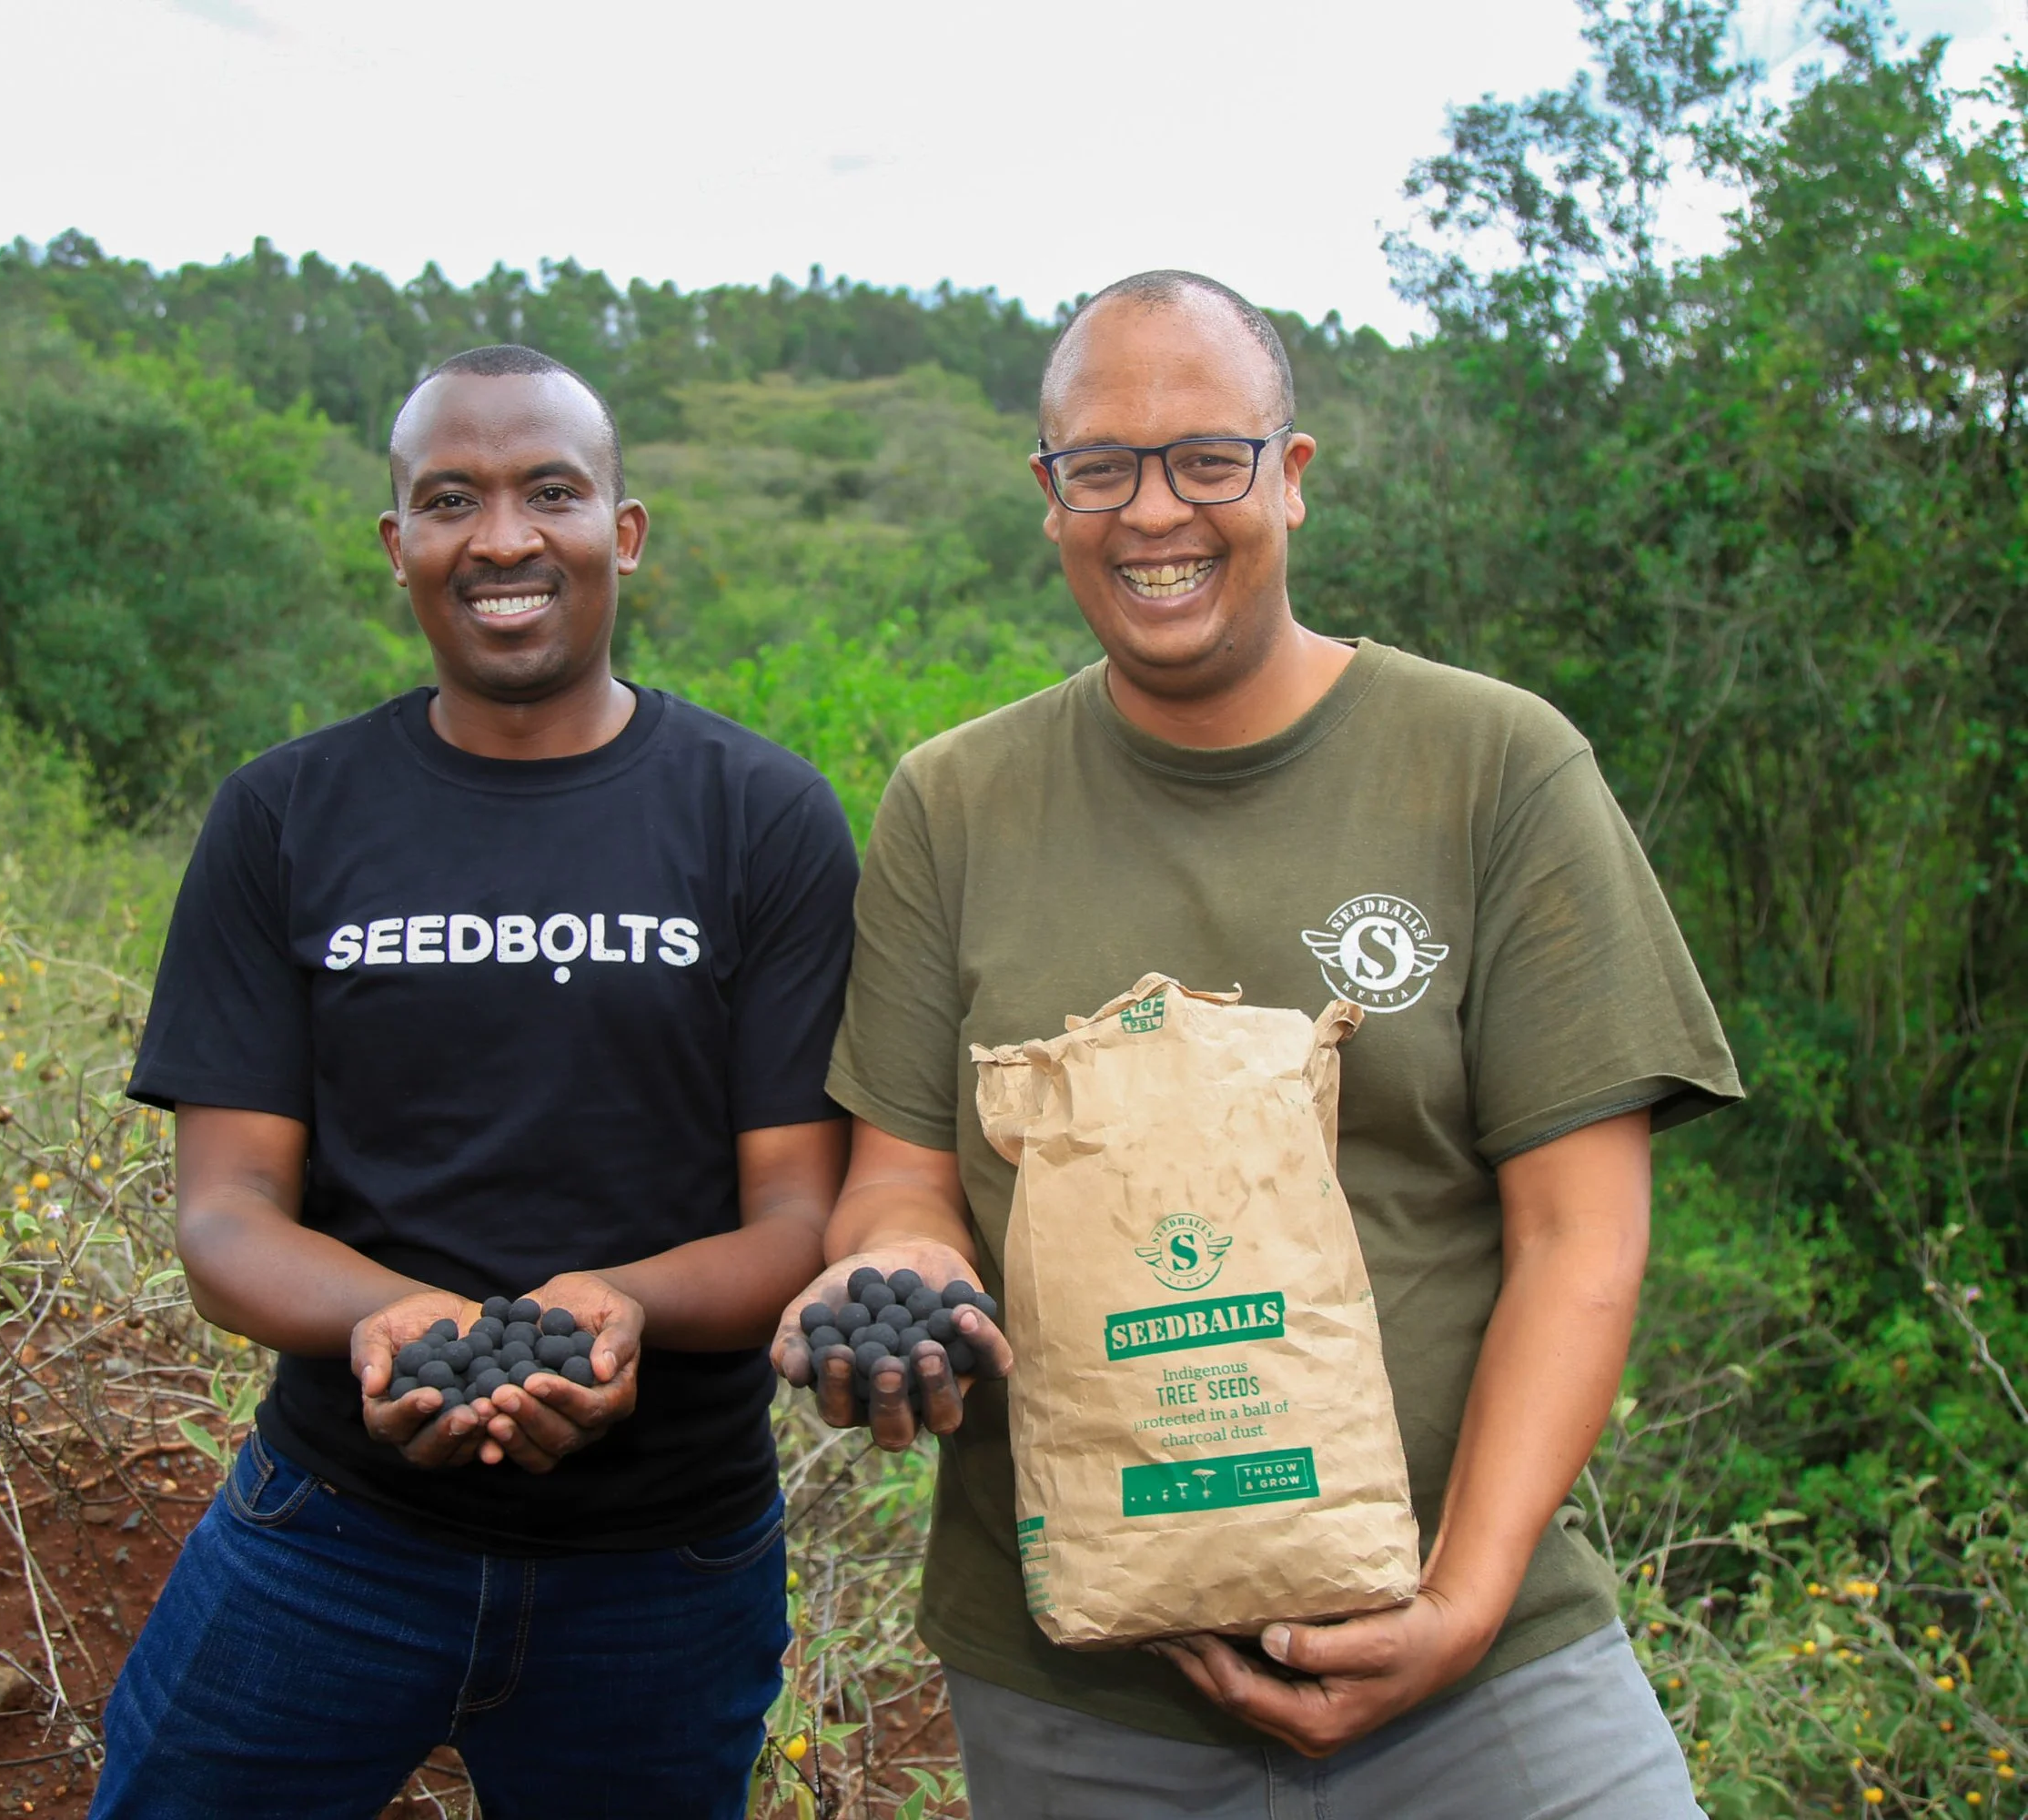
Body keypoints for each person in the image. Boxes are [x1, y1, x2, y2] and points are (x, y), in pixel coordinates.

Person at [773, 271, 1742, 1819]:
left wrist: (1464, 1602)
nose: (1154, 511)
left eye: (1207, 458)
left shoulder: (1490, 765)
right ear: (1050, 498)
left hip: (1480, 1666)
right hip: (1082, 1698)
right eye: (1102, 466)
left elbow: (1581, 1233)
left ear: (1290, 475)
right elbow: (899, 1184)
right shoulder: (954, 804)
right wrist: (899, 1292)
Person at [92, 344, 858, 1820]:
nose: (503, 537)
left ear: (621, 531)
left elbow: (798, 1224)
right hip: (335, 1530)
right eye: (452, 500)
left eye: (550, 492)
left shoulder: (760, 816)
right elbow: (227, 1217)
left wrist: (617, 1306)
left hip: (665, 1564)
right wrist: (393, 1320)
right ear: (400, 548)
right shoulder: (286, 815)